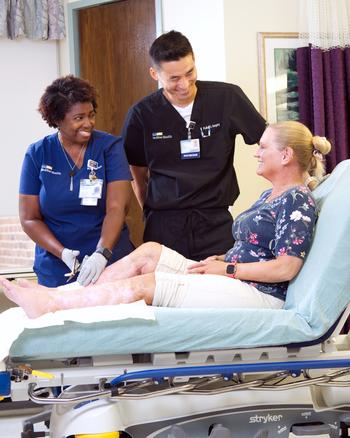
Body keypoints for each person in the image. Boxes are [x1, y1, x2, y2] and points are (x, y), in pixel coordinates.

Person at [1, 121, 331, 319]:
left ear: (285, 155)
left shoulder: (295, 199)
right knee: (150, 252)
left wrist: (229, 269)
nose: (256, 153)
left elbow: (287, 267)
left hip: (260, 294)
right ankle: (60, 295)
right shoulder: (269, 196)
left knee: (153, 285)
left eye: (263, 147)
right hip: (234, 277)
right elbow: (257, 248)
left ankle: (54, 305)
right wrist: (223, 259)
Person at [122, 30, 266, 261]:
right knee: (166, 293)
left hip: (215, 221)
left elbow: (269, 141)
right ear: (154, 74)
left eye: (190, 73)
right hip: (164, 225)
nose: (185, 84)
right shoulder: (142, 114)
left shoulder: (226, 98)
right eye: (174, 78)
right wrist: (150, 212)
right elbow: (137, 174)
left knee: (221, 291)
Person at [18, 75, 134, 287]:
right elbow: (29, 218)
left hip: (110, 262)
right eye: (79, 118)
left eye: (91, 115)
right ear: (58, 119)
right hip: (57, 267)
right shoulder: (38, 153)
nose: (88, 123)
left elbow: (117, 208)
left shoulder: (110, 147)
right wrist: (62, 253)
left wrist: (102, 253)